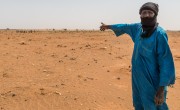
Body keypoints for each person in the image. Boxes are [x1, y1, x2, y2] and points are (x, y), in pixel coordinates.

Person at [100, 2, 175, 110]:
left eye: (150, 13)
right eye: (144, 13)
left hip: (153, 81)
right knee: (139, 103)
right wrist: (109, 26)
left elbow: (166, 62)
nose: (147, 15)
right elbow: (125, 27)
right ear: (140, 15)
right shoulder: (138, 28)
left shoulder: (159, 34)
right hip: (138, 78)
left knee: (155, 105)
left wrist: (161, 89)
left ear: (155, 15)